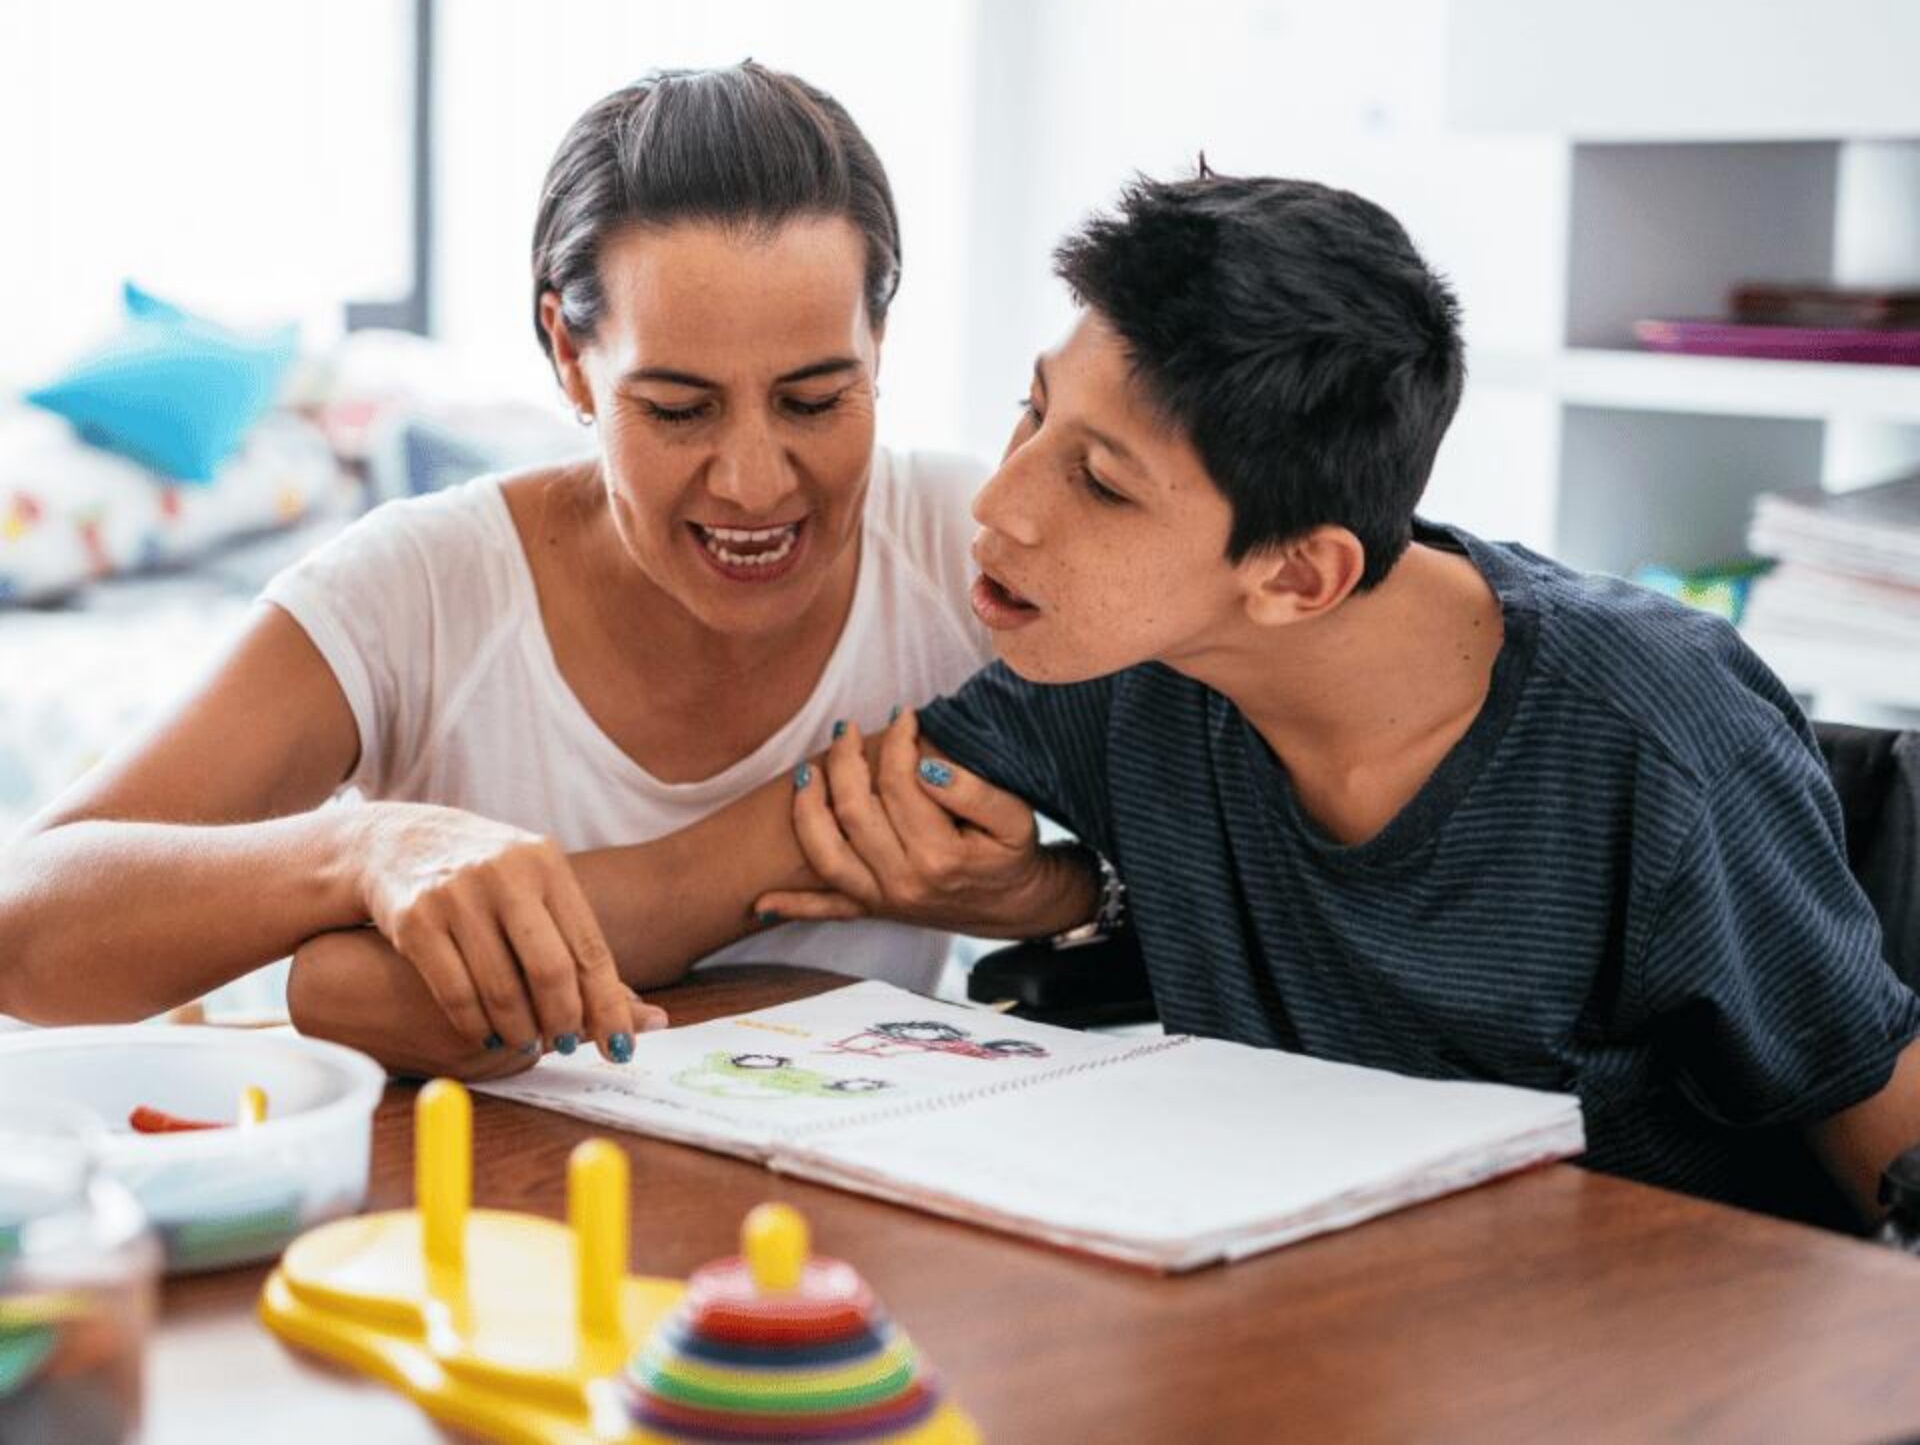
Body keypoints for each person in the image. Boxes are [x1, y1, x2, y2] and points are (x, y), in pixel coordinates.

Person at [751, 170, 1920, 1231]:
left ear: (1297, 576)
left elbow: (1884, 1141)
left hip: (1644, 1352)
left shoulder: (1651, 734)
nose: (999, 499)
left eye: (1101, 483)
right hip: (1324, 1311)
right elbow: (745, 861)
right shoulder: (1133, 668)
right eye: (1033, 409)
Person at [0, 62, 992, 1076]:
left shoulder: (970, 546)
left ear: (878, 340)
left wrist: (1057, 889)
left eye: (816, 400)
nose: (750, 482)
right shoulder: (421, 590)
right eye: (678, 409)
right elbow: (24, 927)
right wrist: (363, 850)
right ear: (568, 352)